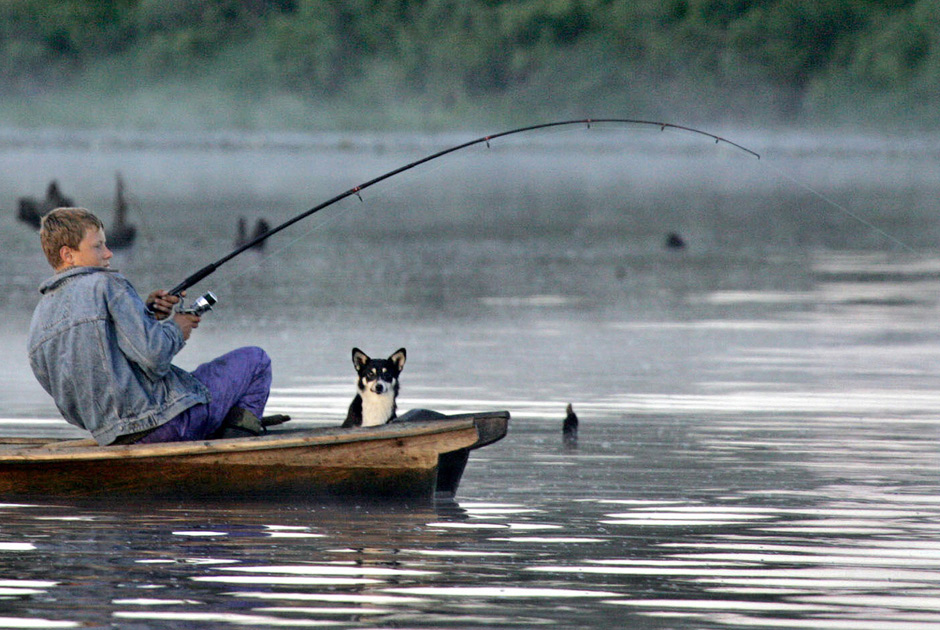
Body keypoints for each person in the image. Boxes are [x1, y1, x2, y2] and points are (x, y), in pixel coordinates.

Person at [27, 207, 282, 446]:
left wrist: (147, 315)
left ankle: (226, 430)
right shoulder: (107, 284)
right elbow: (154, 356)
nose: (108, 253)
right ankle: (234, 449)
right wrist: (176, 328)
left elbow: (98, 363)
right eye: (98, 246)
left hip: (111, 437)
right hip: (167, 425)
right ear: (67, 254)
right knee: (256, 361)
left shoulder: (39, 318)